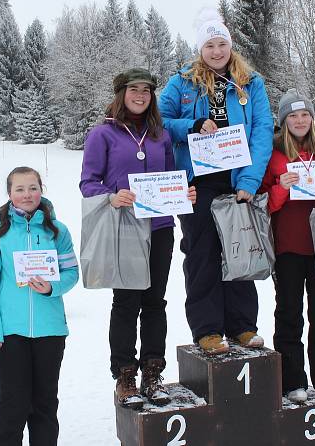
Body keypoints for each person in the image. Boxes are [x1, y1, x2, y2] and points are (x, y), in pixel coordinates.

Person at [80, 68, 197, 408]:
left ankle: (152, 371)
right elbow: (88, 182)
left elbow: (173, 176)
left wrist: (183, 192)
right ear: (121, 93)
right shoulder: (103, 134)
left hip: (159, 228)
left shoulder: (160, 135)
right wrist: (112, 195)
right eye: (134, 89)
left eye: (146, 90)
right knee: (127, 302)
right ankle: (125, 374)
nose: (141, 95)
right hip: (125, 228)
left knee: (155, 301)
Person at [158, 10, 273, 353]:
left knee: (239, 251)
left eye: (222, 43)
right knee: (202, 253)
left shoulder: (251, 83)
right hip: (199, 182)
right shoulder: (182, 82)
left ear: (230, 45)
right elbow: (160, 121)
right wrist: (191, 124)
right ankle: (207, 329)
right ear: (200, 49)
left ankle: (242, 326)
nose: (217, 50)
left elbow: (263, 131)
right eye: (209, 45)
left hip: (238, 179)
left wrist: (251, 181)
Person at [0, 167, 79, 446]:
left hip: (50, 330)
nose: (27, 194)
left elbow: (72, 273)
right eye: (20, 189)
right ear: (9, 193)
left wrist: (52, 287)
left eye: (33, 188)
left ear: (41, 189)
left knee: (45, 405)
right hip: (10, 332)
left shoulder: (57, 230)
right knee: (14, 405)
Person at [259, 90, 315, 405]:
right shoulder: (274, 156)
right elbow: (265, 205)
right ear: (283, 122)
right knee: (288, 315)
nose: (299, 121)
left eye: (304, 115)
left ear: (312, 119)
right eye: (292, 116)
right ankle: (291, 379)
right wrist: (281, 187)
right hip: (288, 248)